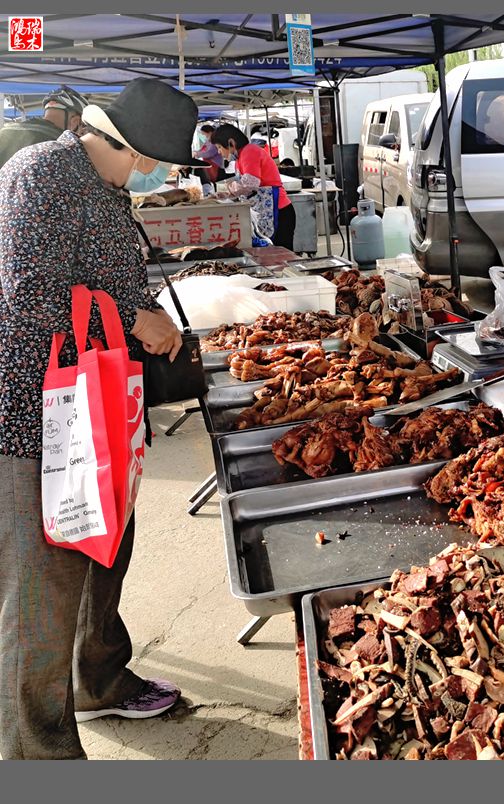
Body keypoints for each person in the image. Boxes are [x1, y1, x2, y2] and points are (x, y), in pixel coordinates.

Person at [0, 77, 201, 760]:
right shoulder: (42, 172)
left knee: (104, 554)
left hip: (99, 411)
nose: (161, 173)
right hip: (37, 421)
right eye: (157, 158)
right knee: (40, 601)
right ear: (129, 143)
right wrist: (132, 317)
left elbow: (96, 274)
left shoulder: (103, 183)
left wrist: (142, 308)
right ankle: (37, 752)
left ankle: (100, 678)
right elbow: (28, 295)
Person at [211, 123, 296, 250]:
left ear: (231, 143)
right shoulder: (241, 157)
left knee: (281, 255)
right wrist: (228, 195)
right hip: (268, 211)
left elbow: (250, 184)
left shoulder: (249, 151)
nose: (219, 152)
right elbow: (246, 188)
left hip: (279, 212)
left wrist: (230, 186)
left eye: (219, 147)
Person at [0, 85, 87, 169]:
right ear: (75, 121)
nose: (80, 133)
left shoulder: (5, 131)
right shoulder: (59, 145)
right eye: (81, 127)